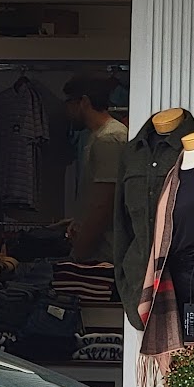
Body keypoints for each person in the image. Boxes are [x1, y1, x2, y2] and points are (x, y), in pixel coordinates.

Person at [64, 76, 128, 263]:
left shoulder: (109, 138)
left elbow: (104, 203)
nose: (67, 110)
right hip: (100, 253)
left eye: (69, 102)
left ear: (84, 102)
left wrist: (80, 252)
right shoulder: (99, 136)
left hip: (104, 256)